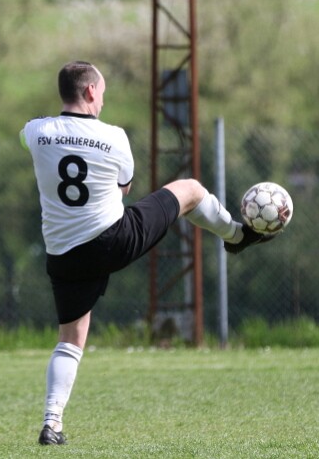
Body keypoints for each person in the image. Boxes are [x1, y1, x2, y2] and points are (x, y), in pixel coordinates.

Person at [20, 60, 273, 445]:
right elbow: (124, 188)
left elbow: (30, 138)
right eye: (102, 93)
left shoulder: (36, 132)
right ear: (90, 91)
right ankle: (237, 236)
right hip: (113, 239)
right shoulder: (114, 137)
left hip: (64, 253)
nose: (103, 101)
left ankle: (51, 423)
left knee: (70, 338)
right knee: (190, 190)